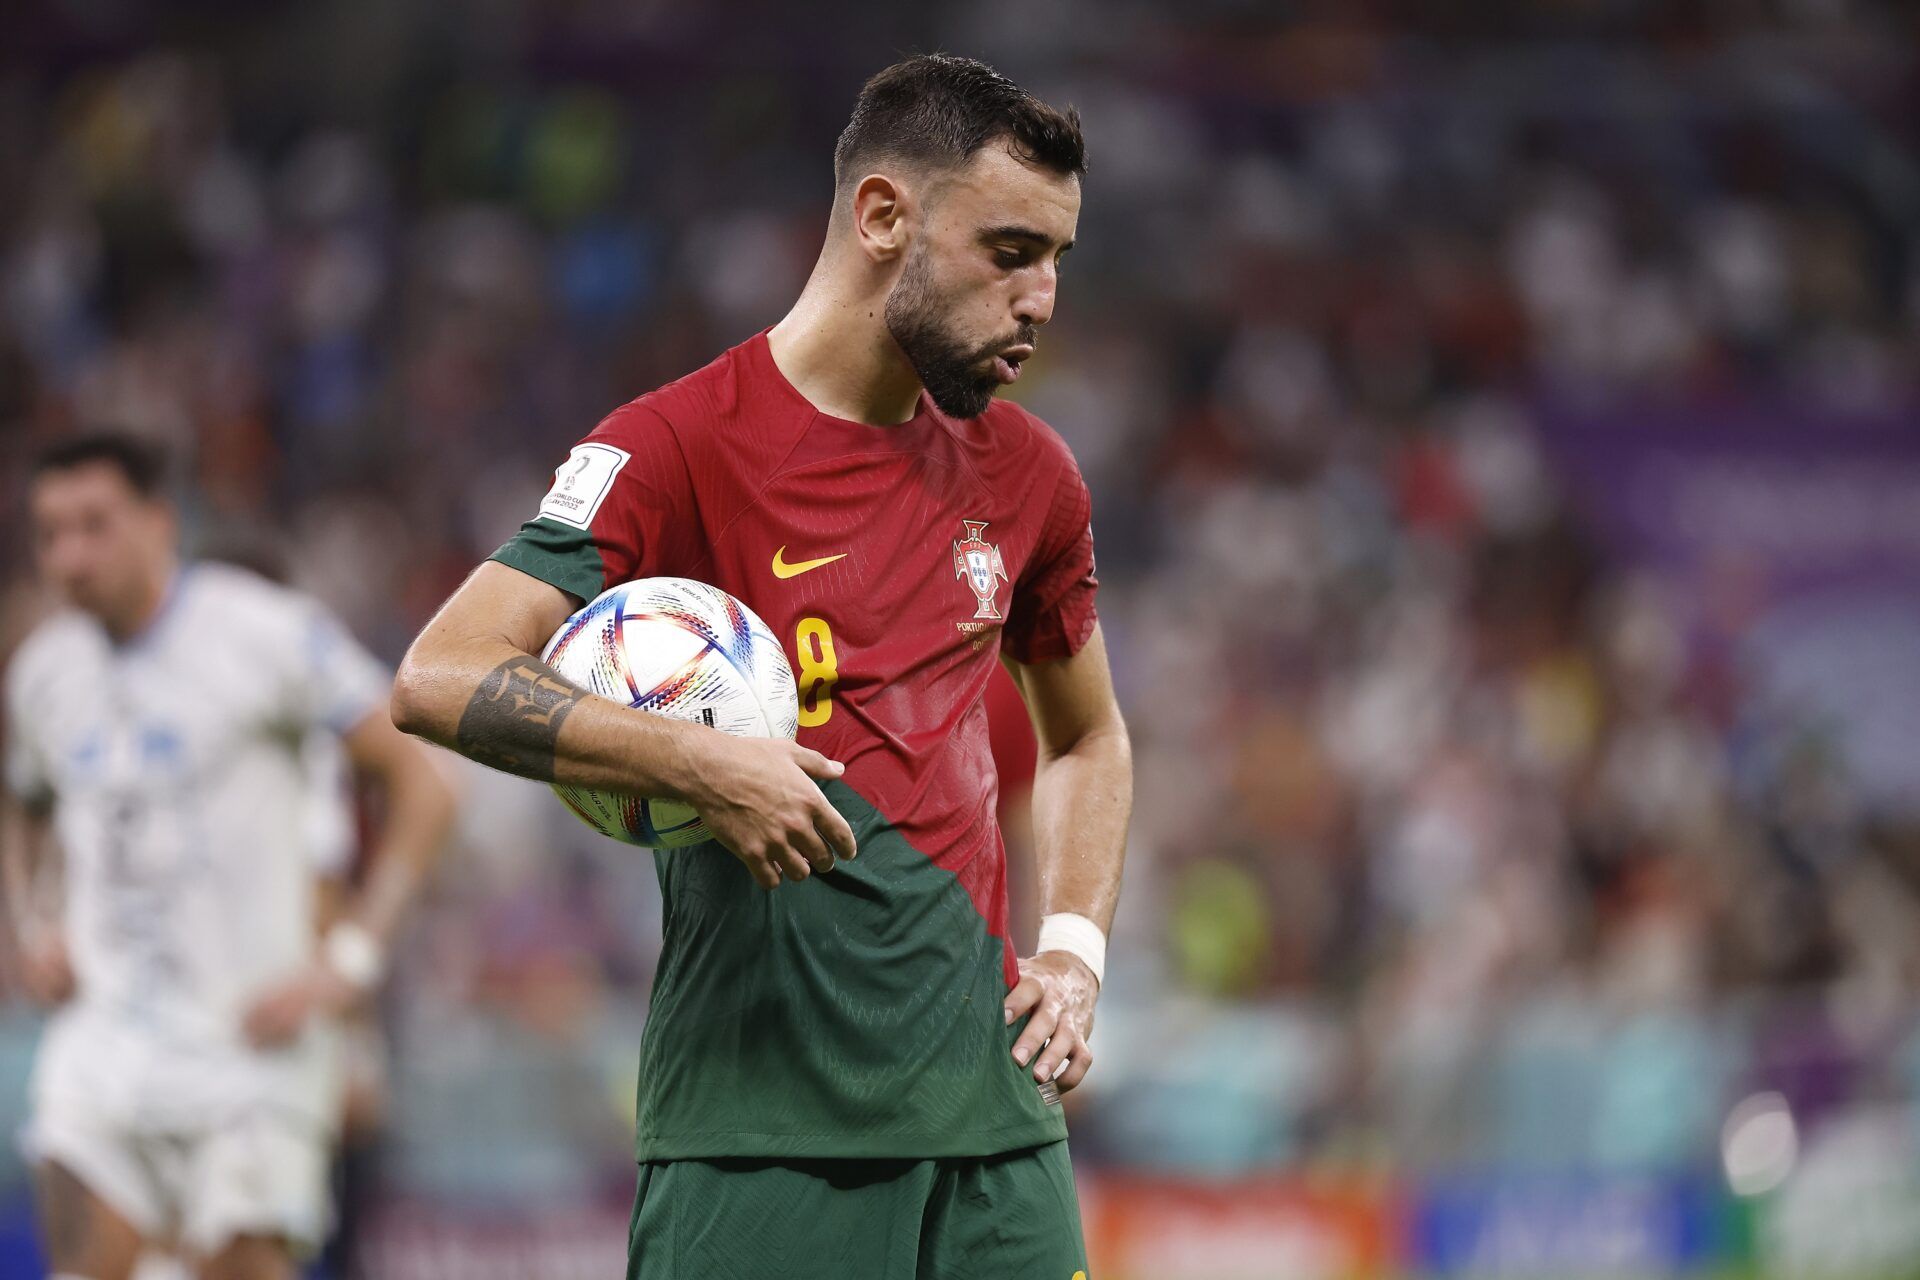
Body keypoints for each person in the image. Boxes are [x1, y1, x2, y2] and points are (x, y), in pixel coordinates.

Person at [392, 52, 1132, 1279]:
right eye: (1010, 251)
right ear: (883, 216)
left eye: (1057, 258)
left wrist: (1074, 950)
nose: (1042, 297)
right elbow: (440, 672)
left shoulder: (1031, 475)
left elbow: (1089, 735)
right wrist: (700, 762)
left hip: (999, 1131)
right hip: (760, 1133)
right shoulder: (678, 444)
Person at [2, 433, 456, 1280]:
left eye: (94, 526)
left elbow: (422, 785)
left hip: (251, 1046)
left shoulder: (265, 635)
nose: (70, 557)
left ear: (158, 522)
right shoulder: (43, 674)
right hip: (101, 1041)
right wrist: (34, 923)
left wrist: (350, 964)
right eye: (50, 533)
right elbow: (25, 808)